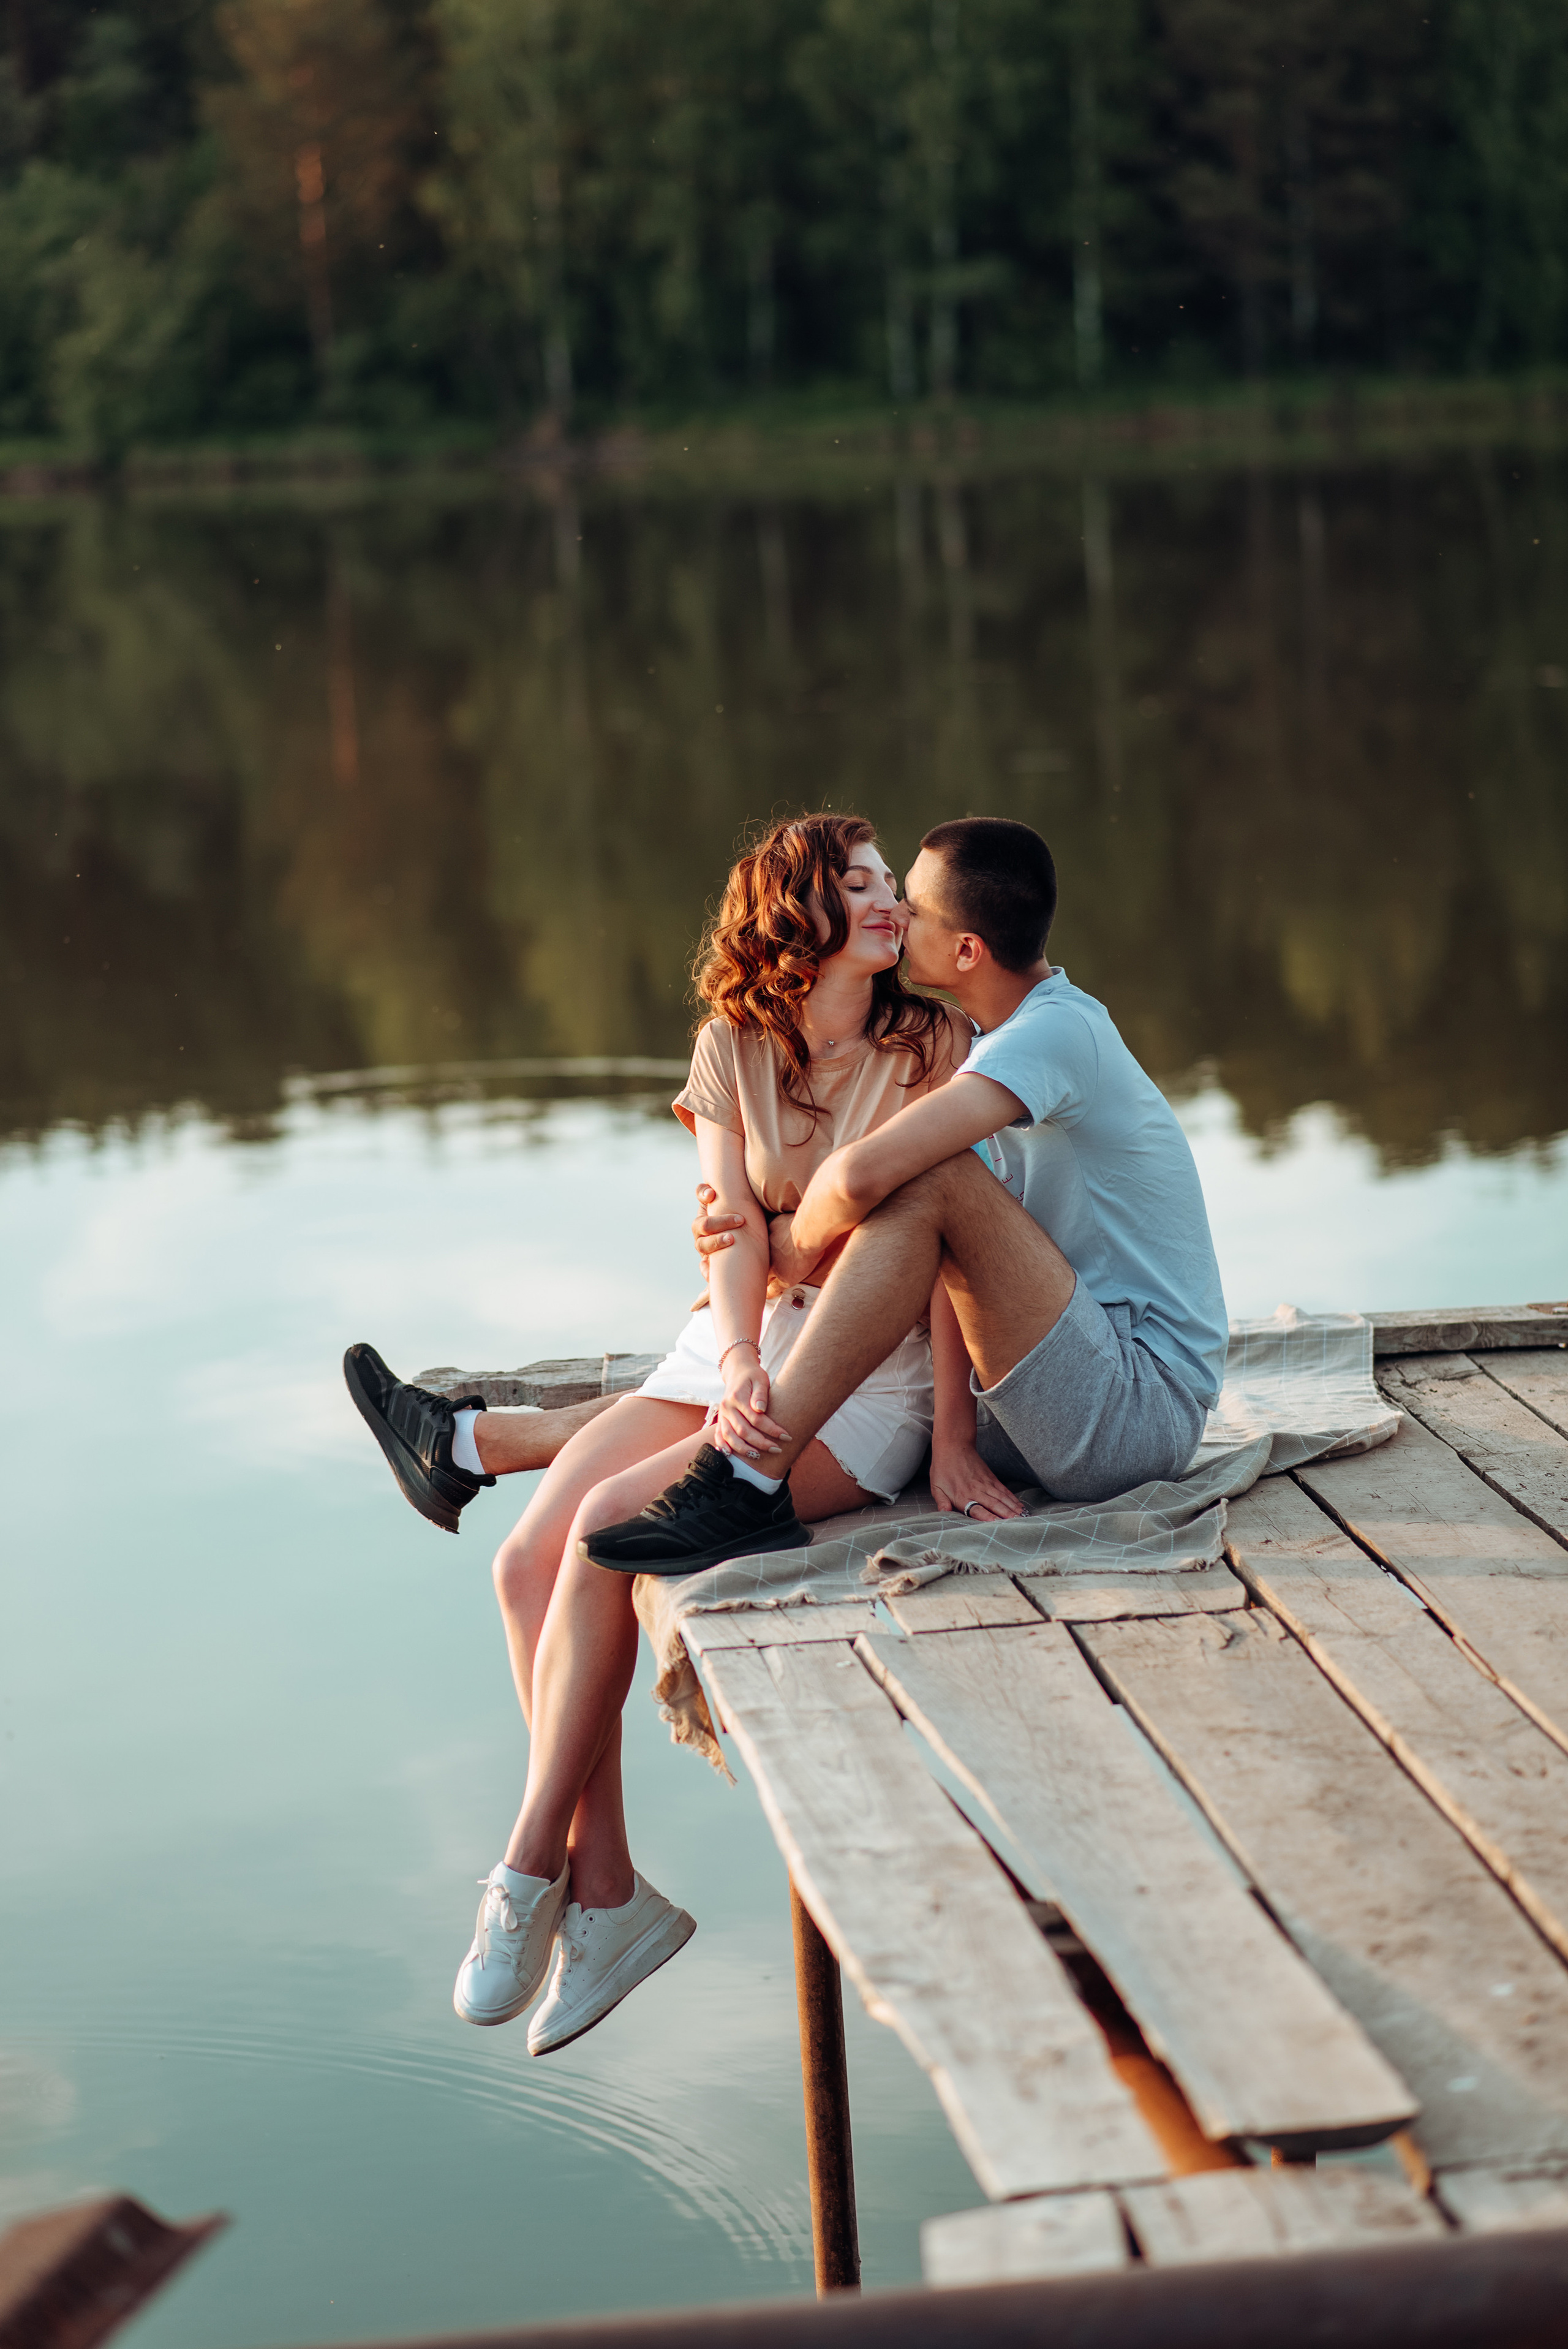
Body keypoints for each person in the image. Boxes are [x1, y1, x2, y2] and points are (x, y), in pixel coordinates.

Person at [342, 814, 992, 2054]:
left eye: (882, 886)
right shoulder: (728, 1049)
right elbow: (727, 1229)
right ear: (792, 918)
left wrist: (952, 1437)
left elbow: (951, 1241)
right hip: (739, 1340)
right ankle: (610, 1895)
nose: (885, 906)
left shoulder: (930, 1044)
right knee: (521, 1563)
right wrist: (738, 1357)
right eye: (854, 886)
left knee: (604, 1534)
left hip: (867, 1370)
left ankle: (531, 1867)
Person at [581, 815, 1228, 1578]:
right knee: (867, 1322)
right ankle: (495, 1443)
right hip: (1040, 1385)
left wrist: (787, 1247)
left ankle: (750, 1482)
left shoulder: (1052, 1035)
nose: (894, 911)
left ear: (965, 950)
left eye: (911, 905)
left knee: (933, 1174)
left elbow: (859, 1177)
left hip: (1133, 1407)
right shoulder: (988, 1044)